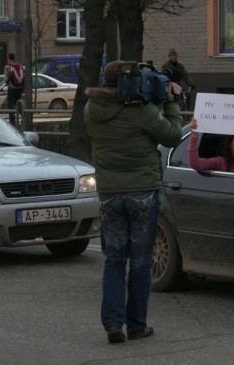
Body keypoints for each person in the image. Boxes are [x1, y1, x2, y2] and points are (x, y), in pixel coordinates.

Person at [84, 60, 184, 344]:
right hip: (142, 192)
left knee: (114, 259)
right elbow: (173, 135)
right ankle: (137, 325)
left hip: (108, 194)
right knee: (140, 262)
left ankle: (113, 324)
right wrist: (170, 102)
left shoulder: (92, 109)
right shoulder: (143, 111)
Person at [4, 53, 24, 125]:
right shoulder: (20, 66)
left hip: (11, 88)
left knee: (10, 104)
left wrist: (7, 82)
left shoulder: (7, 67)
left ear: (9, 58)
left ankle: (12, 121)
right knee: (19, 103)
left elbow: (6, 79)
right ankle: (23, 118)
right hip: (19, 88)